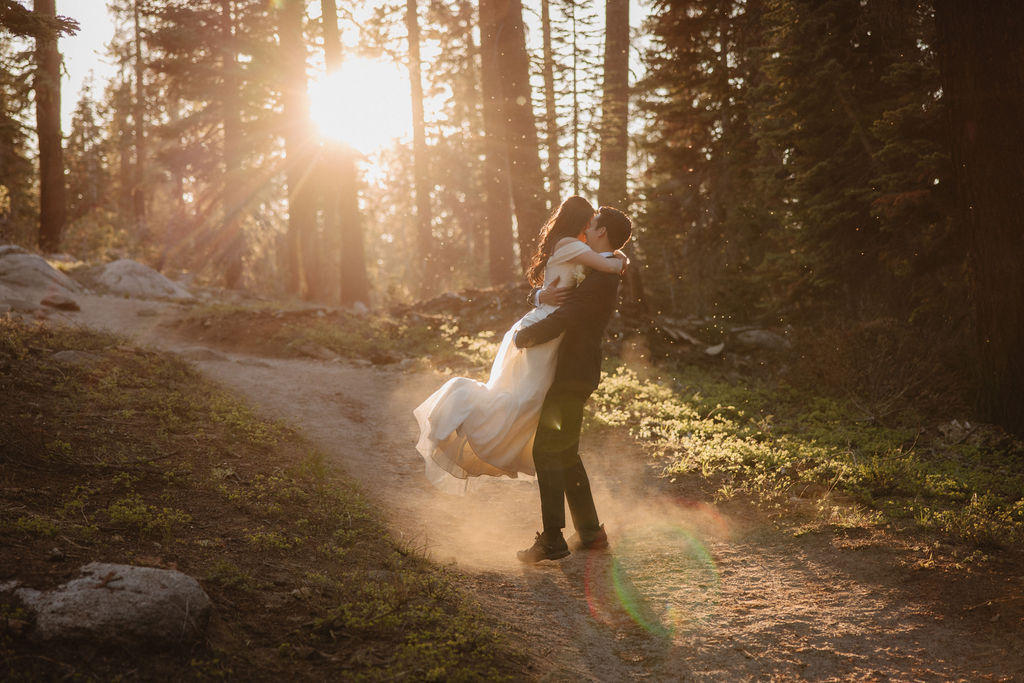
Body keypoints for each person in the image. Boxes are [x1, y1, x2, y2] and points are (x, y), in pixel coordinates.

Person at [413, 196, 626, 493]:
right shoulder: (571, 246)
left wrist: (540, 296)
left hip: (552, 334)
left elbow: (564, 282)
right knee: (522, 398)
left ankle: (504, 438)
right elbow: (610, 266)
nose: (589, 229)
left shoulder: (572, 248)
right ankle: (469, 418)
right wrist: (622, 258)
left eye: (594, 225)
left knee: (528, 400)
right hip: (542, 331)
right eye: (588, 222)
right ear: (580, 222)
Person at [513, 206, 633, 563]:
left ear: (602, 233)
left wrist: (526, 336)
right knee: (564, 451)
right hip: (576, 370)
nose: (586, 227)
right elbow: (560, 298)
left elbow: (570, 314)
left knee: (547, 451)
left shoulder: (602, 277)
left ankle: (552, 539)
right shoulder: (602, 267)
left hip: (572, 372)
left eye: (592, 224)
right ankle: (592, 533)